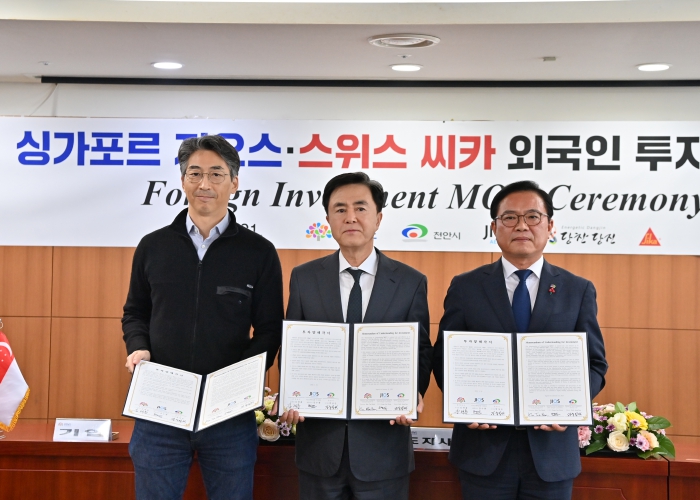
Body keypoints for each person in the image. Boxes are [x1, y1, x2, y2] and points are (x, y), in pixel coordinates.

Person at [122, 135, 284, 500]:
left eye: (216, 174)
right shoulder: (153, 246)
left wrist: (241, 379)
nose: (204, 184)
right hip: (160, 406)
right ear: (183, 180)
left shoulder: (258, 252)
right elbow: (135, 312)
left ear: (234, 182)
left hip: (228, 413)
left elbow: (270, 329)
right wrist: (138, 347)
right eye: (194, 173)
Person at [433, 180, 607, 500]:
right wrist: (464, 405)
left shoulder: (577, 289)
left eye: (533, 216)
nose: (522, 226)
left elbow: (595, 364)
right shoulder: (466, 287)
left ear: (550, 226)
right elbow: (444, 357)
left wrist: (571, 407)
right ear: (494, 228)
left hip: (551, 452)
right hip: (483, 450)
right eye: (510, 217)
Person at [278, 172, 432, 500]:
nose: (350, 217)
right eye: (340, 209)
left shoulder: (410, 281)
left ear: (378, 218)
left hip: (384, 448)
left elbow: (420, 350)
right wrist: (290, 395)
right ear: (328, 220)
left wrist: (412, 394)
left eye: (360, 208)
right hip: (320, 449)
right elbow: (292, 347)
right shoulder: (304, 278)